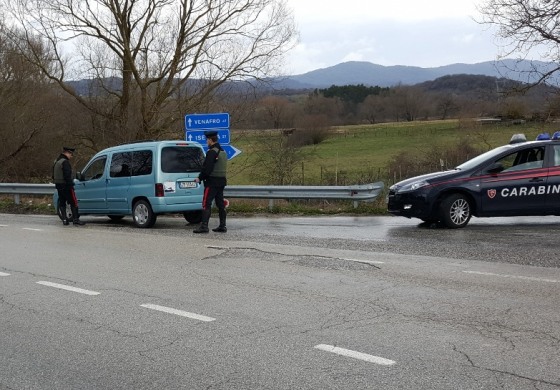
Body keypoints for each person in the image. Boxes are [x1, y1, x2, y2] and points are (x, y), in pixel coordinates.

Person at [193, 131, 227, 233]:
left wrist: (200, 178)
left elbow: (207, 168)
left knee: (206, 204)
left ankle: (204, 226)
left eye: (207, 140)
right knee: (220, 204)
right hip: (221, 182)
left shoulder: (212, 152)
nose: (206, 142)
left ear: (211, 140)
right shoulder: (223, 151)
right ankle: (222, 225)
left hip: (211, 182)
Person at [53, 146, 86, 226]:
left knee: (62, 203)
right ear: (67, 153)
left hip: (58, 186)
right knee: (73, 202)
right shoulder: (65, 162)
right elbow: (67, 175)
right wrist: (71, 185)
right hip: (66, 186)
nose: (71, 156)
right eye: (71, 154)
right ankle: (76, 219)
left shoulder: (56, 161)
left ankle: (64, 220)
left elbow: (53, 175)